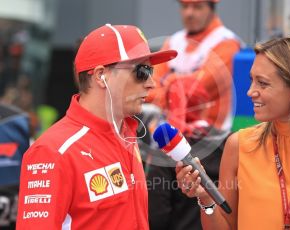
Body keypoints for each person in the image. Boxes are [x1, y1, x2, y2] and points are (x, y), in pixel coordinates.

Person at [175, 34, 290, 229]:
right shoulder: (239, 145)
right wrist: (205, 197)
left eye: (262, 83)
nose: (250, 91)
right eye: (252, 80)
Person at [16, 24, 177, 229]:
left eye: (151, 70)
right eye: (142, 71)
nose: (152, 83)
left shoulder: (127, 134)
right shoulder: (53, 150)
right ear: (101, 75)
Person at [144, 0, 242, 229]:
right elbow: (149, 89)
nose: (189, 13)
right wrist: (175, 87)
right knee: (161, 211)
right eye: (185, 6)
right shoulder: (173, 41)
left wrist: (168, 83)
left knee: (201, 209)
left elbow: (196, 89)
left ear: (211, 7)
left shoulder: (227, 43)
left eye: (197, 7)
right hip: (172, 142)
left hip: (212, 145)